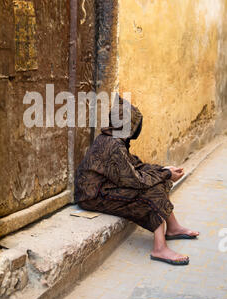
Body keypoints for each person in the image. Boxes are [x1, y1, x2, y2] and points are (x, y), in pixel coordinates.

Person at [74, 96, 199, 265]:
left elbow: (136, 165)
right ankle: (159, 248)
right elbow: (136, 181)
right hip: (92, 196)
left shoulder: (113, 139)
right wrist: (166, 175)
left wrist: (163, 170)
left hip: (104, 188)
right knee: (150, 190)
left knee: (157, 181)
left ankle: (173, 227)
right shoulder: (113, 145)